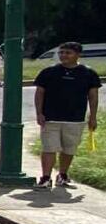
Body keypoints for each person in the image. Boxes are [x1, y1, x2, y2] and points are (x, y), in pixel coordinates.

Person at [33, 42, 100, 189]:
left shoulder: (88, 73)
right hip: (51, 118)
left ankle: (62, 175)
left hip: (75, 119)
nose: (63, 55)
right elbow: (39, 93)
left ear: (77, 55)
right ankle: (45, 178)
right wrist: (39, 113)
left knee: (69, 149)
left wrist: (93, 117)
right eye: (61, 52)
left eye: (68, 53)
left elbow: (93, 96)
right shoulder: (49, 72)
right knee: (49, 148)